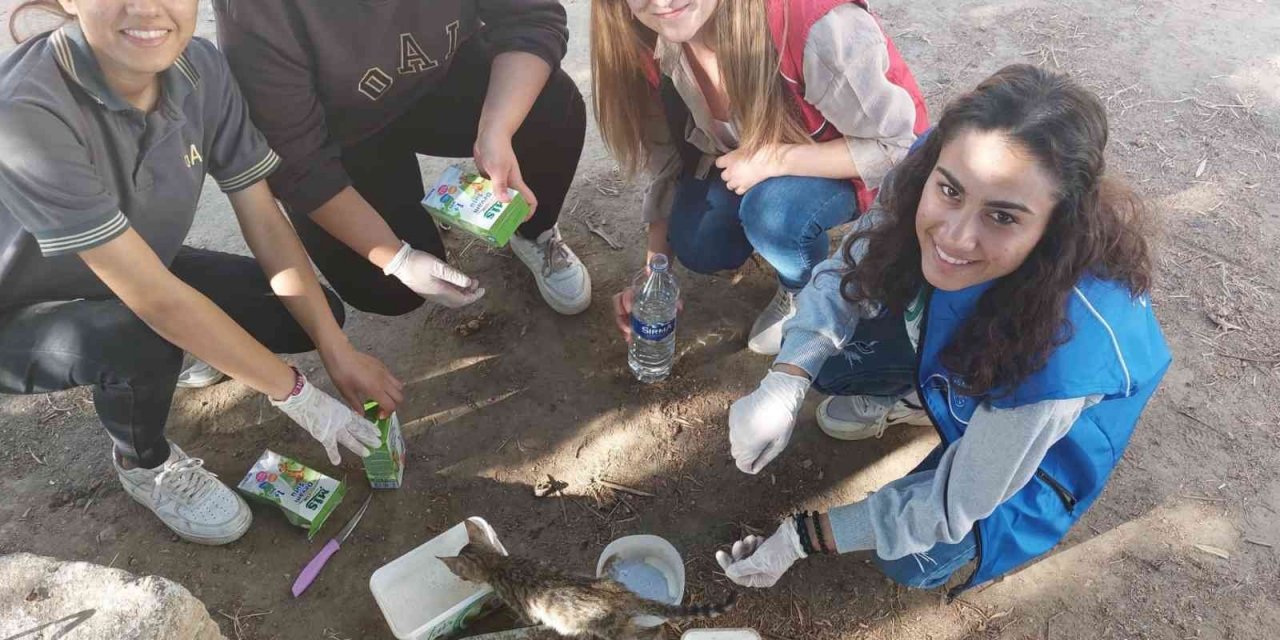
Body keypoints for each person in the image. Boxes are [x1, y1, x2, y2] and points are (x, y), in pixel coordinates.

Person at [716, 65, 1171, 595]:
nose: (954, 237)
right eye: (950, 192)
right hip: (972, 340)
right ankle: (922, 400)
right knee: (831, 360)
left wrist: (804, 536)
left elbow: (956, 503)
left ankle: (949, 412)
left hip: (1047, 446)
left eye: (1002, 217)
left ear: (1055, 229)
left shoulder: (1063, 359)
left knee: (911, 559)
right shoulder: (950, 158)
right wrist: (788, 378)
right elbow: (850, 267)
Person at [0, 0, 403, 545]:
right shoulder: (26, 111)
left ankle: (189, 349)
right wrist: (298, 395)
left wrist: (336, 351)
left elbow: (262, 216)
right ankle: (144, 462)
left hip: (131, 263)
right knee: (142, 340)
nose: (146, 7)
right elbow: (156, 300)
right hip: (18, 306)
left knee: (310, 316)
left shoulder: (202, 66)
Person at [211, 0, 592, 328]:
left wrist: (496, 129)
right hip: (337, 132)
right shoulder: (256, 9)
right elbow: (295, 160)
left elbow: (532, 19)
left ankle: (533, 232)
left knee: (552, 106)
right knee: (388, 290)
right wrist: (398, 258)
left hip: (439, 76)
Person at [594, 0, 928, 354]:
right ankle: (773, 235)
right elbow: (668, 163)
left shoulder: (813, 23)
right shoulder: (647, 39)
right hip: (745, 160)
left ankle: (804, 289)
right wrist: (654, 276)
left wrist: (773, 158)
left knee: (774, 213)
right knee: (696, 241)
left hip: (851, 162)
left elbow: (902, 148)